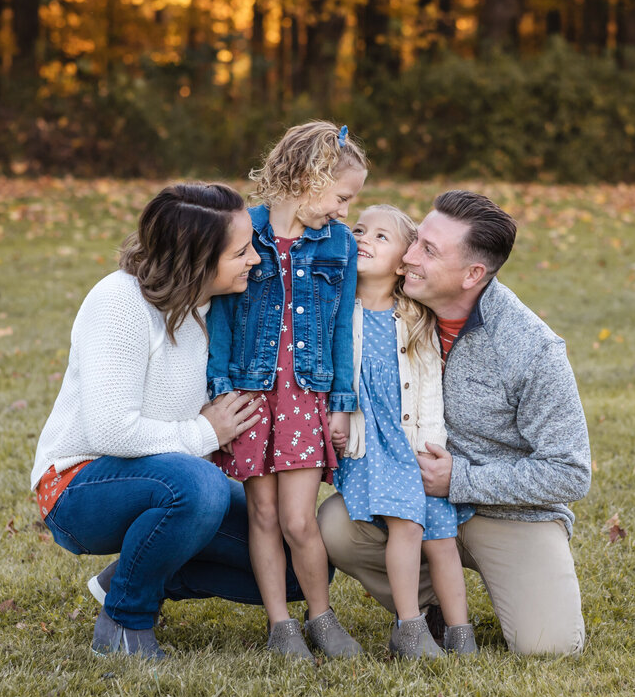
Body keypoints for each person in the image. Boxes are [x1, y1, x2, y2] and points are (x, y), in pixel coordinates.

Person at [31, 183, 306, 661]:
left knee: (296, 566)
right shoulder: (120, 302)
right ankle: (124, 622)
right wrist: (205, 432)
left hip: (175, 478)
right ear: (197, 259)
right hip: (78, 485)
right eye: (240, 252)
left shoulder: (216, 305)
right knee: (196, 486)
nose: (255, 261)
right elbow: (110, 430)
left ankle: (136, 572)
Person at [318, 190, 592, 656]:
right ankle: (431, 608)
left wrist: (460, 479)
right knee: (336, 525)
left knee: (549, 645)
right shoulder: (386, 304)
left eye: (428, 250)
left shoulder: (531, 348)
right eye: (415, 240)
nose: (408, 255)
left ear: (472, 275)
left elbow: (570, 472)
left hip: (506, 513)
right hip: (410, 496)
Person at [207, 121, 367, 660]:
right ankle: (280, 625)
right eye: (342, 197)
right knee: (264, 516)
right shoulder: (241, 231)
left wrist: (341, 403)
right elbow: (223, 315)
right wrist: (220, 387)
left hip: (304, 394)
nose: (346, 211)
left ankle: (320, 616)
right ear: (309, 178)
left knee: (299, 518)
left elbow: (343, 326)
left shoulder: (339, 245)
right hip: (251, 395)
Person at [328, 205, 476, 659]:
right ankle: (410, 629)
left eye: (381, 236)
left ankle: (459, 633)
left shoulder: (415, 316)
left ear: (402, 262)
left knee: (441, 540)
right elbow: (330, 375)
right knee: (408, 528)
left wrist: (431, 449)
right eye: (358, 230)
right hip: (370, 447)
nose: (364, 240)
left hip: (414, 444)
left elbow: (432, 386)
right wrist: (337, 411)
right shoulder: (338, 309)